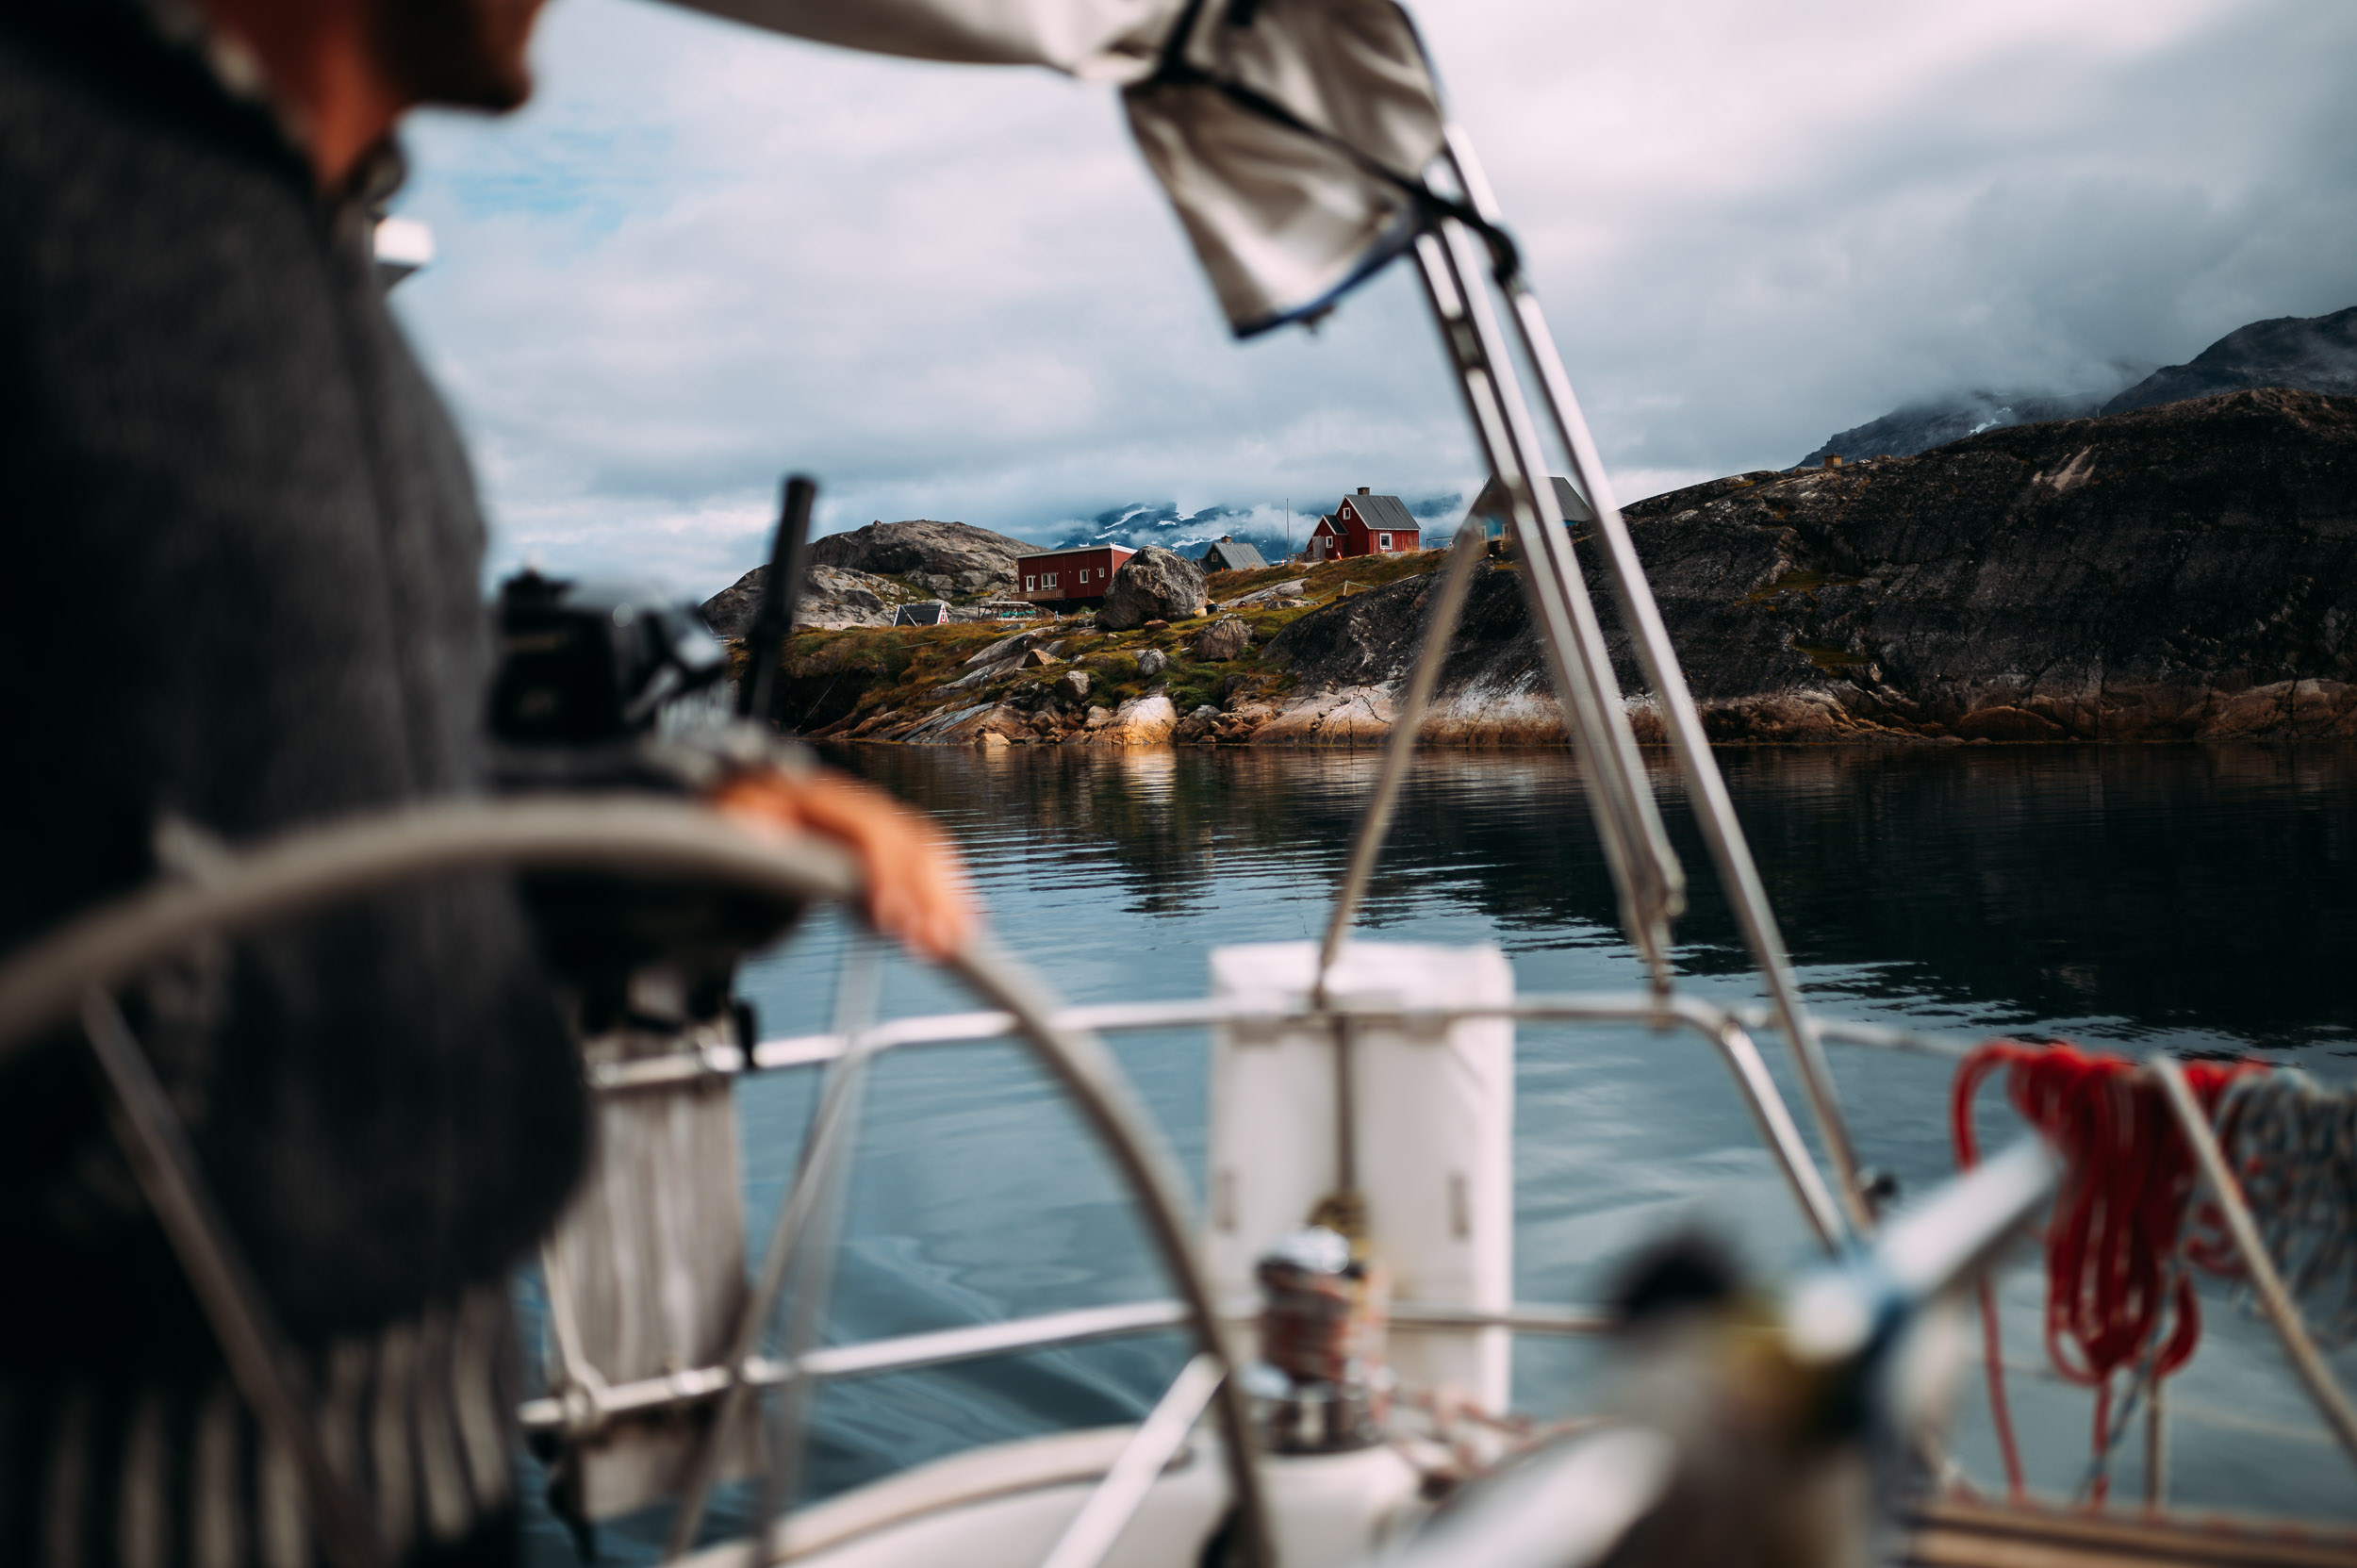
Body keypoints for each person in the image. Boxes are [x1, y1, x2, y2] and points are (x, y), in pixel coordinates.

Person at [0, 0, 973, 1560]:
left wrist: (681, 829)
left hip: (435, 1434)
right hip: (123, 1468)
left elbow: (370, 808)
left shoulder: (324, 276)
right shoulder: (48, 187)